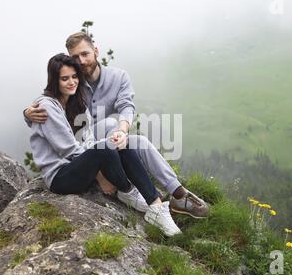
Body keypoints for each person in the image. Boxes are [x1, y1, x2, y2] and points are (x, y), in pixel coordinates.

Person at [25, 32, 209, 219]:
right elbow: (51, 106)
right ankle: (122, 181)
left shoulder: (119, 77)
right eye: (75, 57)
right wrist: (27, 113)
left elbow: (126, 106)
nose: (81, 61)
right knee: (110, 126)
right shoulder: (72, 81)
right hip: (83, 146)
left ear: (96, 51)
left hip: (104, 138)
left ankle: (178, 194)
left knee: (137, 141)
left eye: (85, 54)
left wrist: (122, 130)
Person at [30, 53, 181, 237]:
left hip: (79, 167)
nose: (72, 82)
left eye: (75, 77)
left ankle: (156, 207)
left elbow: (89, 140)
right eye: (65, 78)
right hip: (60, 177)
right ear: (55, 80)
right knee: (106, 148)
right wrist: (101, 176)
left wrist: (107, 149)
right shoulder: (46, 107)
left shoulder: (76, 102)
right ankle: (126, 189)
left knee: (119, 141)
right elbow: (68, 150)